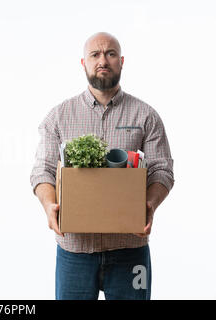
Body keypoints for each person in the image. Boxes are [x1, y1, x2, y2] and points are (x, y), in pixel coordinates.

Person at [30, 32, 174, 300]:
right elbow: (43, 170)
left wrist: (149, 204)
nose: (102, 60)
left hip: (130, 248)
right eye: (94, 54)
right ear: (83, 63)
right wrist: (49, 206)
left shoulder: (146, 115)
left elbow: (162, 170)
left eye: (109, 54)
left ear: (121, 61)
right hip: (74, 250)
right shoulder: (59, 116)